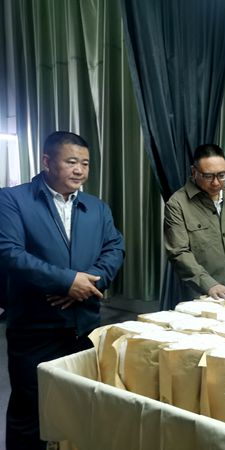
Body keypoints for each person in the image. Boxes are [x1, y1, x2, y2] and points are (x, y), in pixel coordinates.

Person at [0, 131, 125, 450]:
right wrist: (67, 281)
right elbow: (9, 253)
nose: (80, 170)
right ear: (47, 162)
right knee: (30, 411)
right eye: (71, 162)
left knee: (80, 405)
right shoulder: (13, 200)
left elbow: (115, 248)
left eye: (85, 163)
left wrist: (87, 283)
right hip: (35, 329)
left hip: (84, 327)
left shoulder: (96, 208)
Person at [164, 143, 225, 301]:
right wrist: (209, 285)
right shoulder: (177, 204)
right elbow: (179, 253)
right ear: (194, 172)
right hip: (201, 294)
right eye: (208, 176)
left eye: (222, 175)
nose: (216, 182)